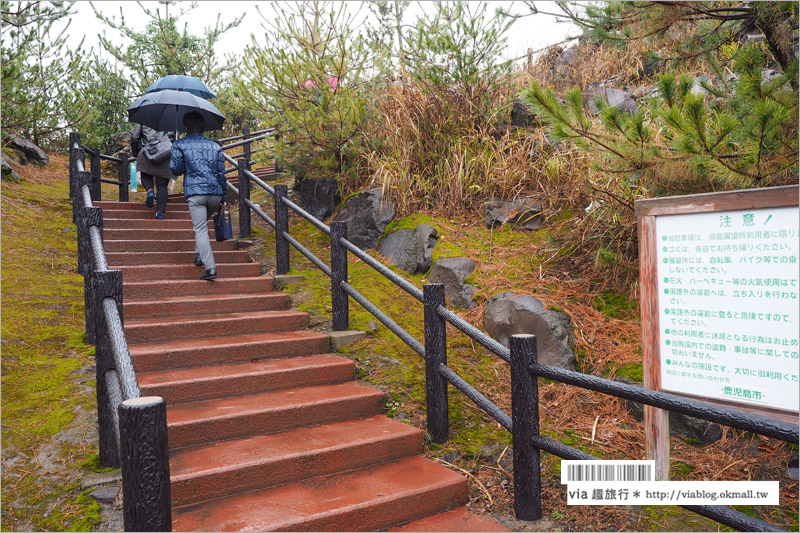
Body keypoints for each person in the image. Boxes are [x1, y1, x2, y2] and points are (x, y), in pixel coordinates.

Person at [169, 111, 227, 281]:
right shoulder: (215, 146)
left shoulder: (180, 144)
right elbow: (221, 174)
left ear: (186, 127)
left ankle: (210, 268)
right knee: (202, 226)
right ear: (204, 127)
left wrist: (177, 151)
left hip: (196, 194)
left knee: (200, 228)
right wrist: (224, 196)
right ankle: (198, 255)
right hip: (215, 194)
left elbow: (175, 170)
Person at [131, 124, 175, 219]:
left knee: (146, 175)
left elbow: (135, 137)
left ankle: (150, 191)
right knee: (162, 185)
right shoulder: (169, 119)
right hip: (164, 154)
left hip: (147, 151)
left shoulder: (143, 117)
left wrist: (136, 153)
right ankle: (160, 212)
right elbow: (173, 138)